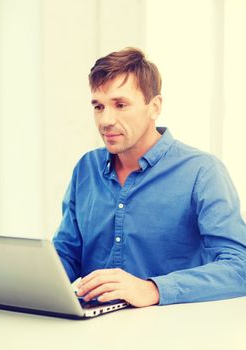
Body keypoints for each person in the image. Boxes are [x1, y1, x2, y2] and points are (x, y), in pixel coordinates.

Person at [53, 47, 246, 307]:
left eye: (120, 105)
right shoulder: (86, 168)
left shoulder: (202, 172)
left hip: (171, 334)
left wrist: (153, 289)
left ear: (154, 107)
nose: (106, 120)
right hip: (92, 331)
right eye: (98, 106)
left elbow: (239, 268)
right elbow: (67, 255)